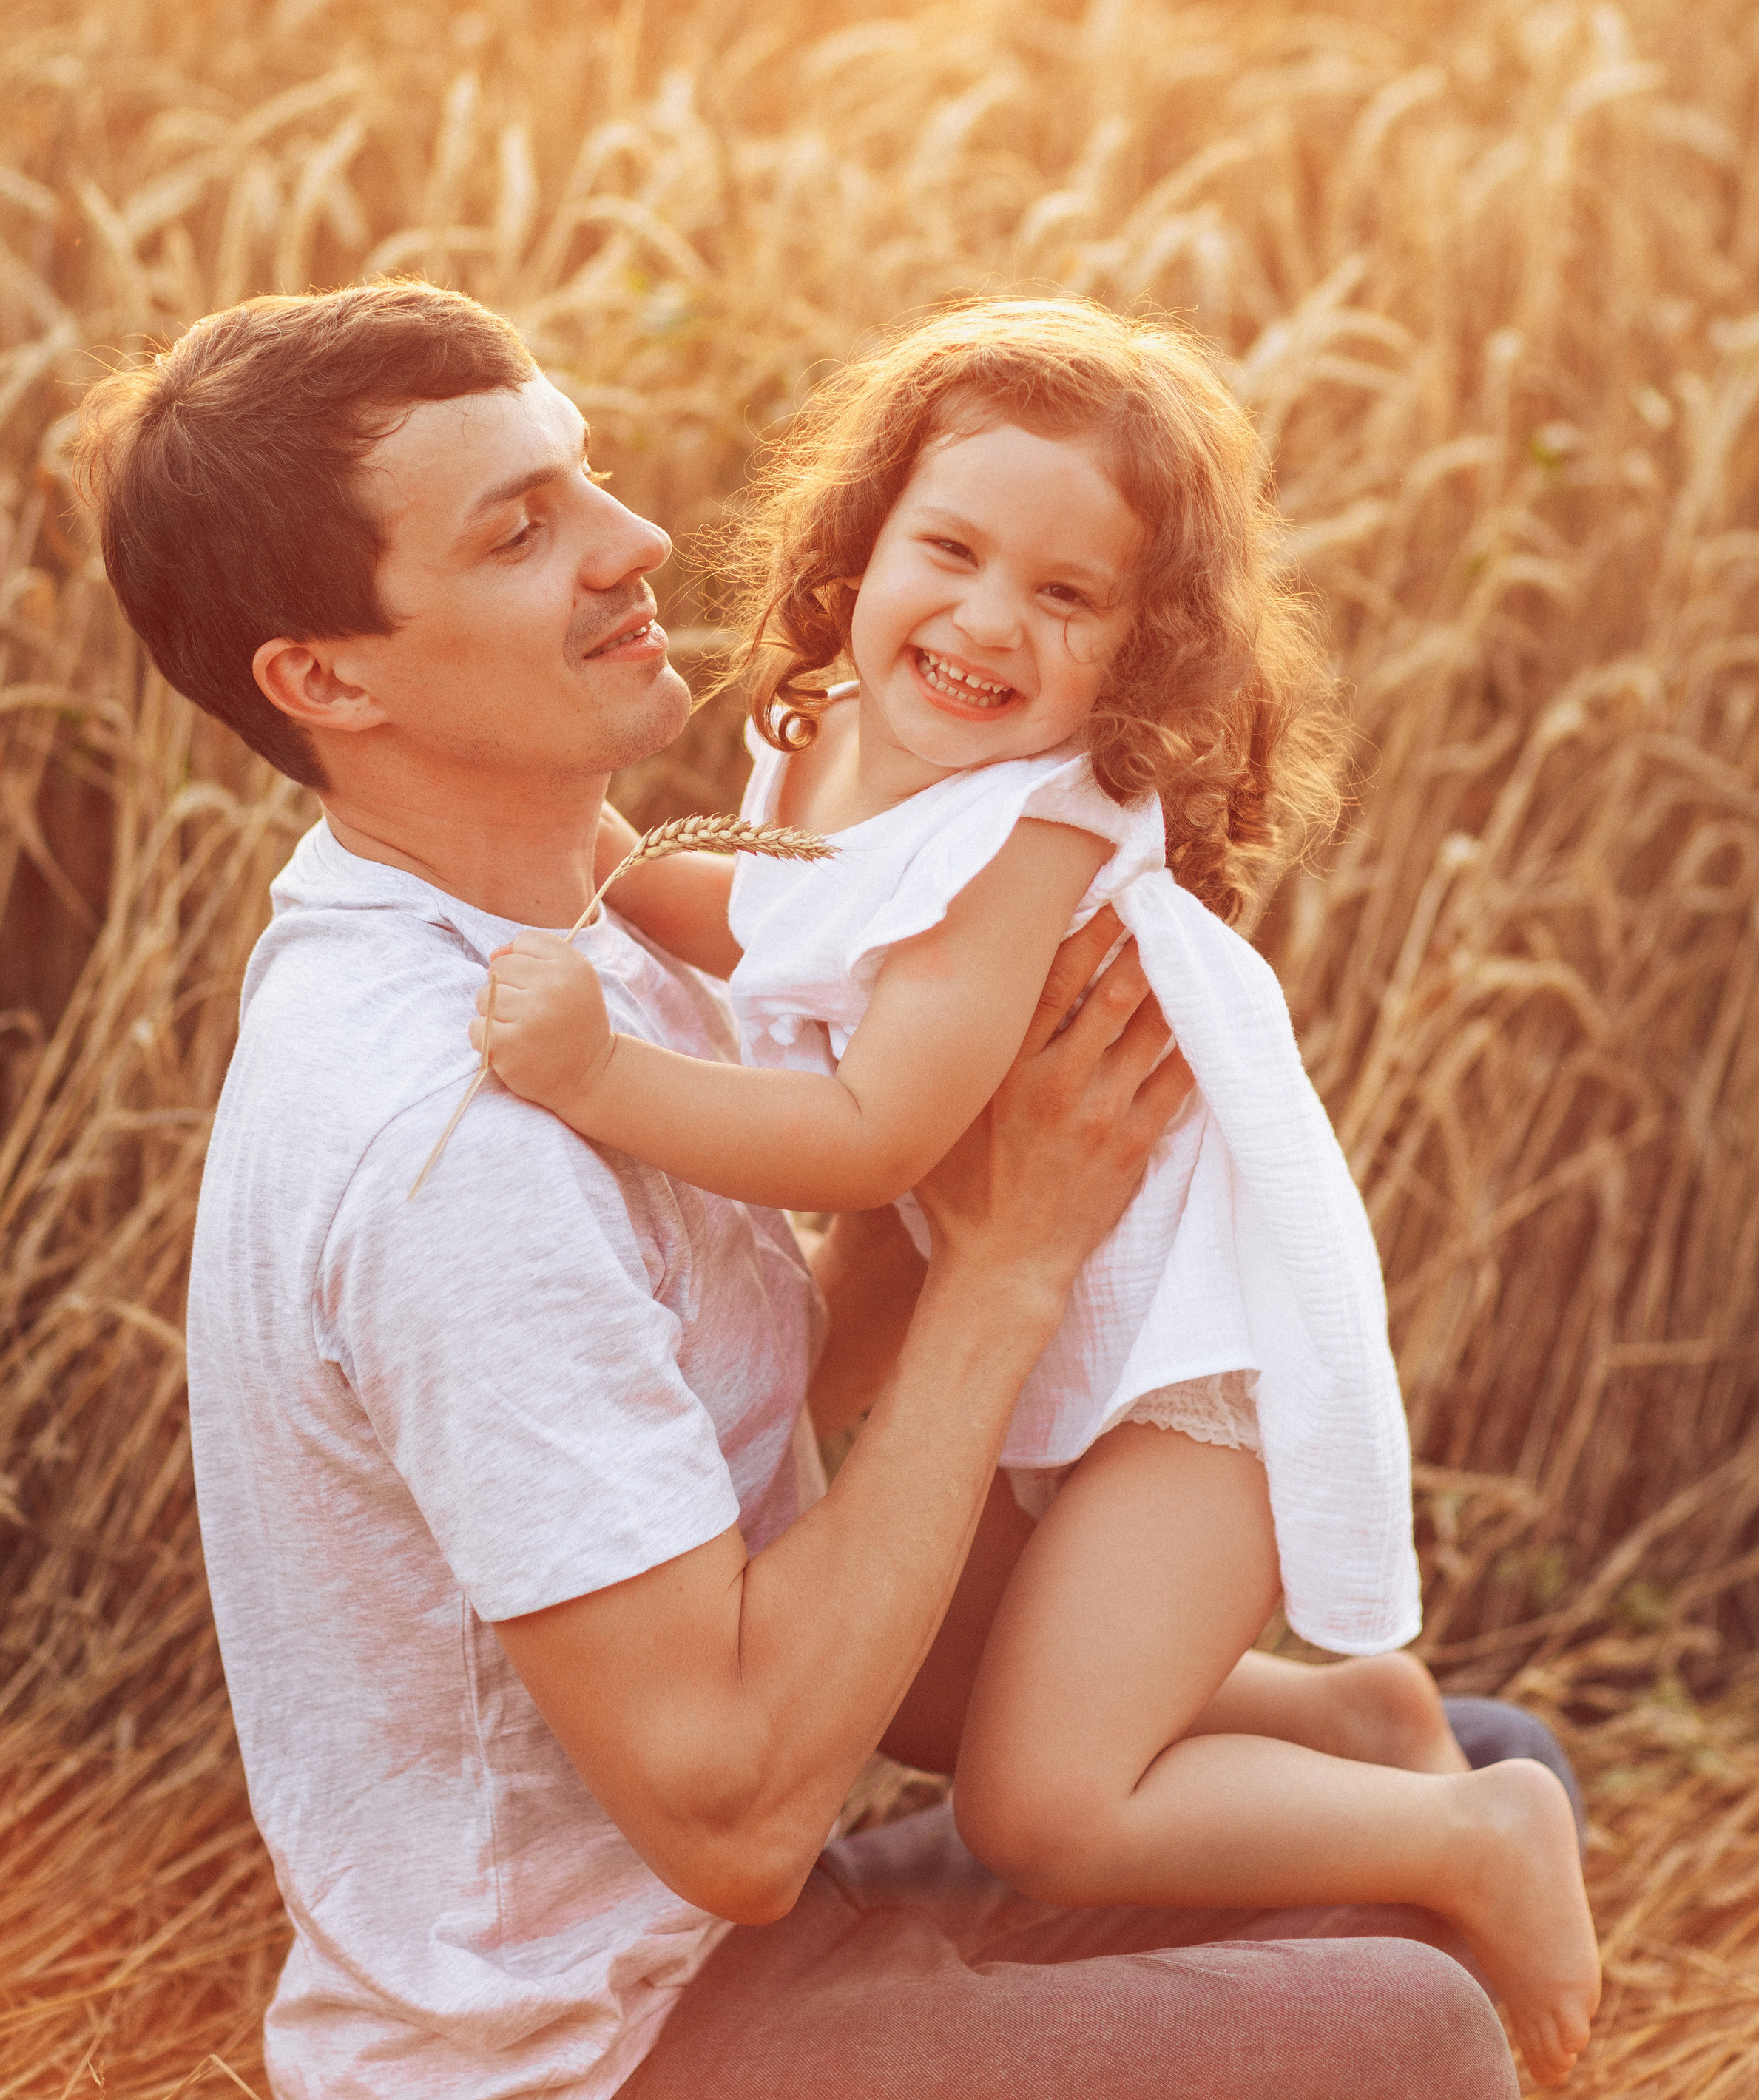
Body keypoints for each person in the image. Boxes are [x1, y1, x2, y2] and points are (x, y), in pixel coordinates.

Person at [75, 277, 1584, 2100]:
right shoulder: (456, 1135)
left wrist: (976, 1175)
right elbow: (730, 1817)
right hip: (595, 2041)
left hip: (746, 1921)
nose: (632, 539)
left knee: (1479, 1757)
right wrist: (1011, 1259)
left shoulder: (577, 931)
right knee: (1409, 2034)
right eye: (521, 528)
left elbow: (759, 1342)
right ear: (327, 677)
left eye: (584, 471)